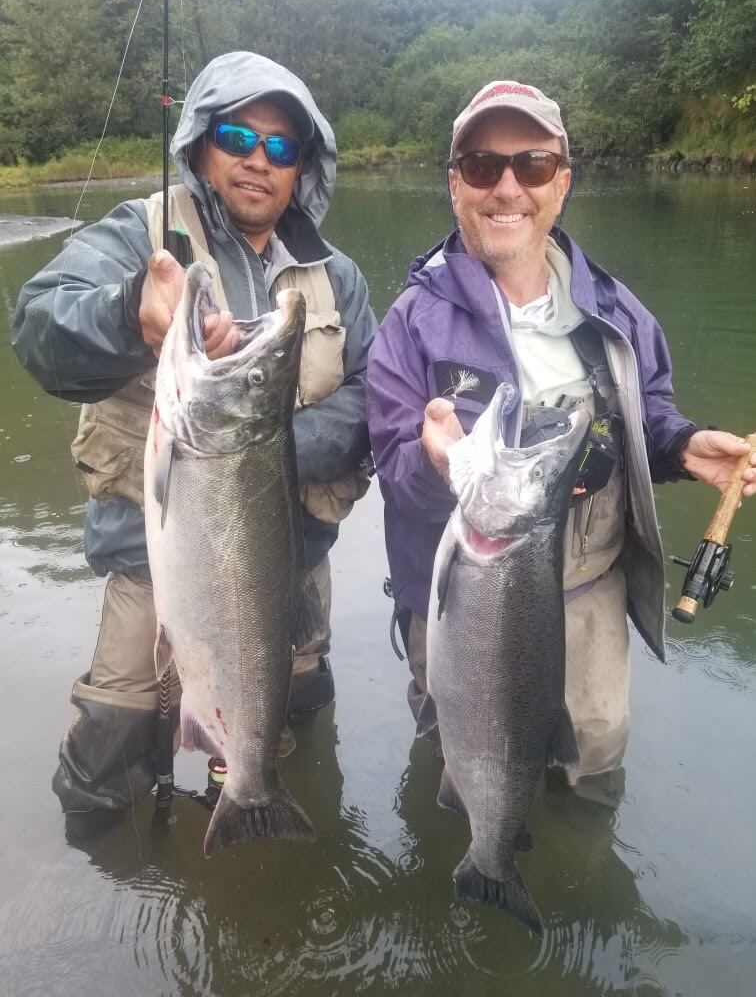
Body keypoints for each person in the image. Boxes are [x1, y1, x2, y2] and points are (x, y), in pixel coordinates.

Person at [367, 80, 756, 805]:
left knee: (591, 767)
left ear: (562, 184)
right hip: (462, 604)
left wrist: (682, 446)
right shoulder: (409, 325)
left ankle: (578, 861)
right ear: (455, 186)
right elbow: (392, 471)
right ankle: (473, 850)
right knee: (462, 768)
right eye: (483, 166)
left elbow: (648, 413)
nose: (507, 187)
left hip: (588, 594)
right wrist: (433, 462)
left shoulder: (616, 311)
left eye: (533, 165)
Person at [12, 52, 377, 815]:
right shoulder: (139, 233)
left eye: (281, 147)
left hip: (289, 571)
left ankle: (253, 831)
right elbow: (39, 326)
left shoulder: (337, 276)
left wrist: (262, 451)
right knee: (105, 769)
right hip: (154, 569)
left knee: (286, 732)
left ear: (303, 167)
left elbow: (374, 397)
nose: (258, 159)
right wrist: (127, 312)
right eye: (239, 137)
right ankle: (115, 865)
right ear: (203, 142)